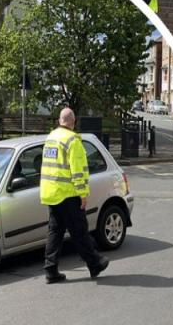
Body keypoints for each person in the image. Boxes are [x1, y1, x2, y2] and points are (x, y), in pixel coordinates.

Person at [40, 107, 109, 283]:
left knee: (55, 232)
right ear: (74, 121)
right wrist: (83, 194)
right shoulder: (73, 141)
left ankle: (50, 270)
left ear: (59, 121)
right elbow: (78, 171)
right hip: (68, 194)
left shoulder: (51, 138)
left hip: (51, 192)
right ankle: (95, 263)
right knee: (79, 230)